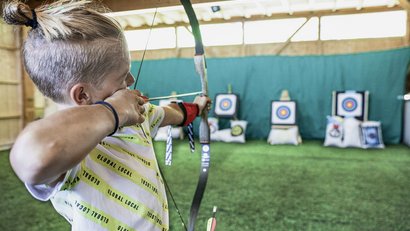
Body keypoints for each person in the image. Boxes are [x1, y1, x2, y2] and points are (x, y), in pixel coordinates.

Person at [2, 0, 210, 230]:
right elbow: (32, 157)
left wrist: (197, 108)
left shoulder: (138, 116)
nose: (131, 81)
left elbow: (172, 113)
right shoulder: (71, 154)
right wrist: (113, 112)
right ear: (82, 95)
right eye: (122, 76)